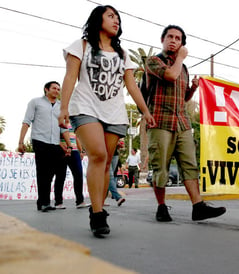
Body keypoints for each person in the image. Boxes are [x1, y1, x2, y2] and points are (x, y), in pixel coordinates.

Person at [58, 5, 155, 237]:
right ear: (97, 19)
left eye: (118, 18)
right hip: (85, 107)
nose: (116, 21)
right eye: (111, 16)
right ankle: (99, 214)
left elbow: (131, 86)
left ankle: (96, 210)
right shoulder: (81, 46)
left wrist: (145, 111)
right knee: (98, 155)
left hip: (114, 113)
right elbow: (70, 76)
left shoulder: (122, 55)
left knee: (106, 161)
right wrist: (63, 107)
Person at [145, 25, 226, 222]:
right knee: (160, 167)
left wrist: (193, 89)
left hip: (182, 123)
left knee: (190, 165)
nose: (173, 40)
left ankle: (198, 206)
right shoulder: (153, 61)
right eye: (170, 37)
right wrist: (180, 58)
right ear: (162, 40)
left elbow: (183, 98)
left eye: (178, 38)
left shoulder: (183, 69)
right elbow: (170, 75)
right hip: (160, 121)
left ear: (182, 43)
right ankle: (161, 207)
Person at [18, 81, 69, 212]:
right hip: (40, 140)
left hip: (55, 143)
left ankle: (43, 201)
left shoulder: (60, 107)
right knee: (43, 172)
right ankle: (44, 202)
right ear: (46, 89)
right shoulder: (35, 102)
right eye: (54, 88)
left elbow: (63, 129)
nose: (57, 91)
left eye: (58, 89)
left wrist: (69, 145)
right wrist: (21, 142)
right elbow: (26, 121)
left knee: (54, 171)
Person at [55, 123, 90, 209]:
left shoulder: (73, 121)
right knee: (60, 176)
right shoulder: (58, 120)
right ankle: (58, 202)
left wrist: (81, 150)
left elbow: (76, 137)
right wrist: (64, 148)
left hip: (74, 151)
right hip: (62, 151)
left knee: (78, 175)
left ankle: (80, 201)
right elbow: (54, 137)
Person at [107, 138, 126, 206]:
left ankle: (101, 201)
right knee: (110, 176)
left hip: (115, 154)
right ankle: (118, 197)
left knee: (108, 178)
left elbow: (121, 145)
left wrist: (118, 144)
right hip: (106, 154)